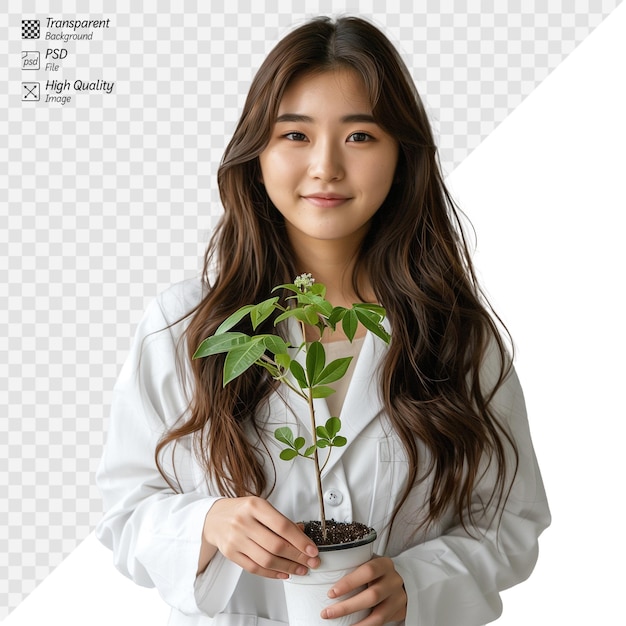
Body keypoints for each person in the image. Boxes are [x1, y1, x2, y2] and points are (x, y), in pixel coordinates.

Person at [96, 15, 550, 626]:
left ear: (401, 156)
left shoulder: (457, 337)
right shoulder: (184, 326)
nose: (326, 167)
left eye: (360, 136)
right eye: (295, 135)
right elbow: (125, 513)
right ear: (257, 154)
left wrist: (418, 585)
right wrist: (207, 525)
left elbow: (511, 523)